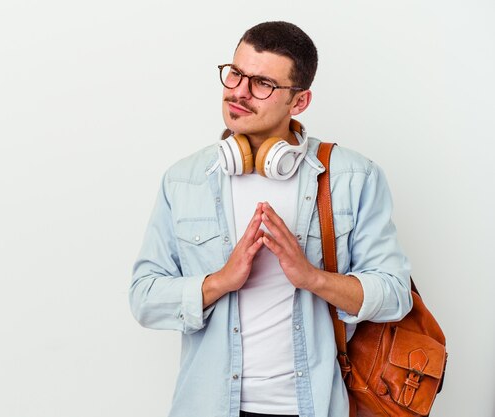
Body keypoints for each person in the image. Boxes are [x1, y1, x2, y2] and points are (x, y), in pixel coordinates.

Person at [129, 21, 412, 417]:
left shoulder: (353, 177)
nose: (239, 92)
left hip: (311, 407)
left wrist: (311, 277)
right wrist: (220, 282)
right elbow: (144, 298)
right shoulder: (184, 180)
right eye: (236, 74)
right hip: (209, 406)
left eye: (262, 84)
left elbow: (394, 295)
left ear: (299, 102)